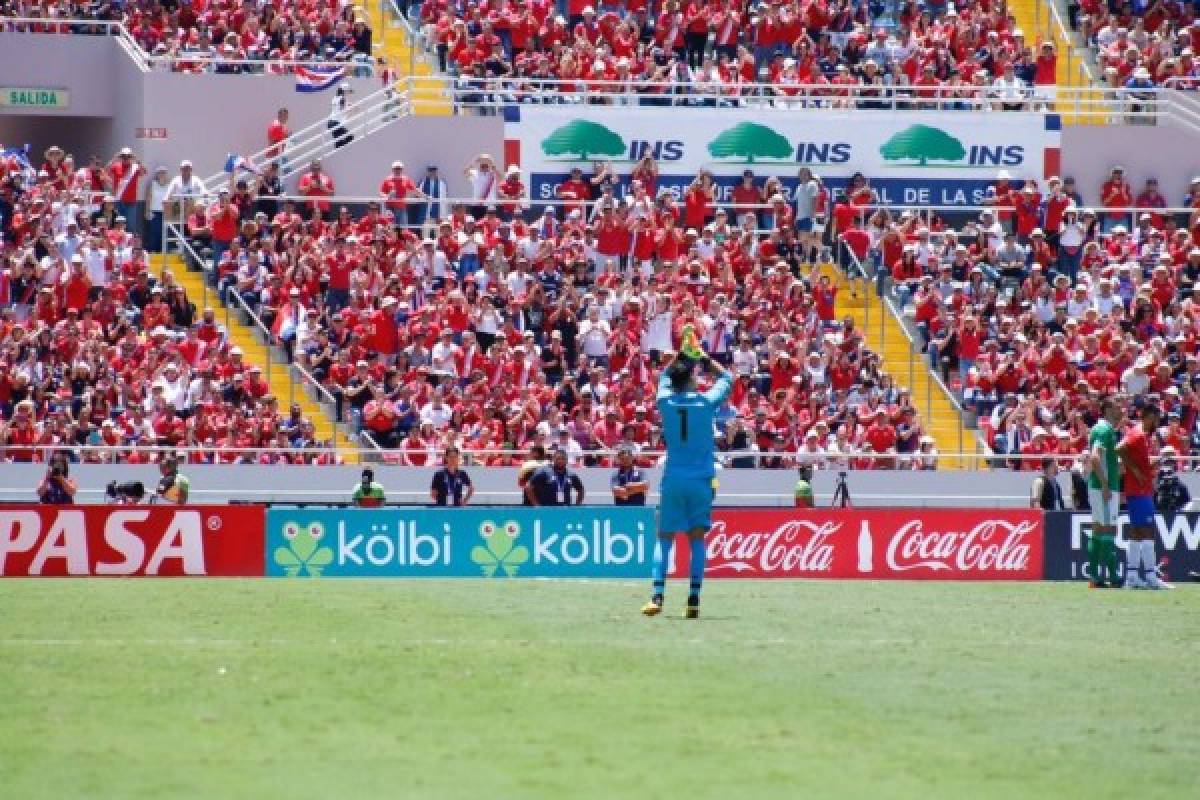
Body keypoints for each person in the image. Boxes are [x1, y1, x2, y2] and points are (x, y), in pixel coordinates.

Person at [643, 347, 732, 620]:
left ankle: (657, 595)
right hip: (702, 479)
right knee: (696, 538)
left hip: (674, 478)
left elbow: (663, 377)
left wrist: (680, 356)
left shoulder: (665, 401)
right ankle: (693, 599)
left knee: (664, 537)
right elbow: (727, 378)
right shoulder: (706, 402)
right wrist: (705, 359)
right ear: (692, 380)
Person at [1116, 405, 1171, 590]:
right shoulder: (1138, 433)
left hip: (1139, 489)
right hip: (1139, 490)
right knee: (1147, 530)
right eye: (1156, 418)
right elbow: (1120, 449)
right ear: (1147, 417)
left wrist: (1155, 461)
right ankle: (1150, 577)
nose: (1157, 422)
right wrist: (1137, 471)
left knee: (1137, 532)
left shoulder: (1142, 435)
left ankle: (1132, 576)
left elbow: (1138, 459)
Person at [1085, 398, 1123, 588]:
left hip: (1102, 486)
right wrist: (1106, 485)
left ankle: (1094, 576)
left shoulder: (1107, 430)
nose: (1121, 408)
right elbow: (1094, 456)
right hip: (1103, 488)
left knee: (1099, 530)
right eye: (1117, 405)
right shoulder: (1103, 429)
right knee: (1107, 530)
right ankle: (1113, 577)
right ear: (1107, 409)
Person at [328, 83, 354, 149]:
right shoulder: (342, 99)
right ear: (344, 91)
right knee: (349, 137)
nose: (348, 93)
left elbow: (338, 106)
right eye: (347, 91)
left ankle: (340, 151)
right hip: (335, 123)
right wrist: (349, 109)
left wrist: (348, 105)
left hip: (331, 122)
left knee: (339, 141)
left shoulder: (335, 98)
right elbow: (341, 109)